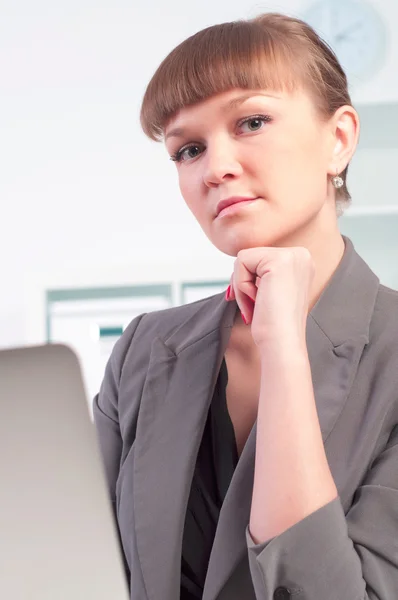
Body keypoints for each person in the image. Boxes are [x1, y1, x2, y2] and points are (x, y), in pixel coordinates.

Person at [93, 12, 398, 600]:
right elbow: (81, 563)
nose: (216, 168)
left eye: (252, 121)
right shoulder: (145, 348)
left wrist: (283, 350)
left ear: (338, 139)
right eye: (188, 150)